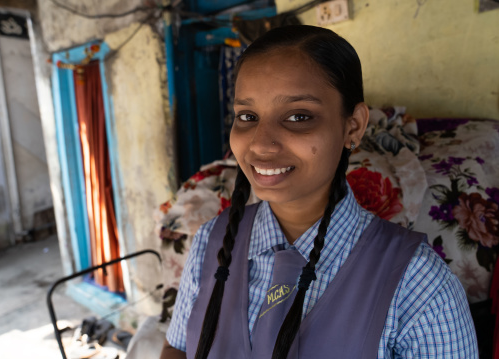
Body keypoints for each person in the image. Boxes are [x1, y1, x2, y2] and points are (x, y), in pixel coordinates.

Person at [161, 25, 478, 359]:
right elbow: (178, 347)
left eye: (298, 116)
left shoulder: (418, 285)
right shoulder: (212, 241)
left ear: (353, 126)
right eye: (248, 116)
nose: (260, 144)